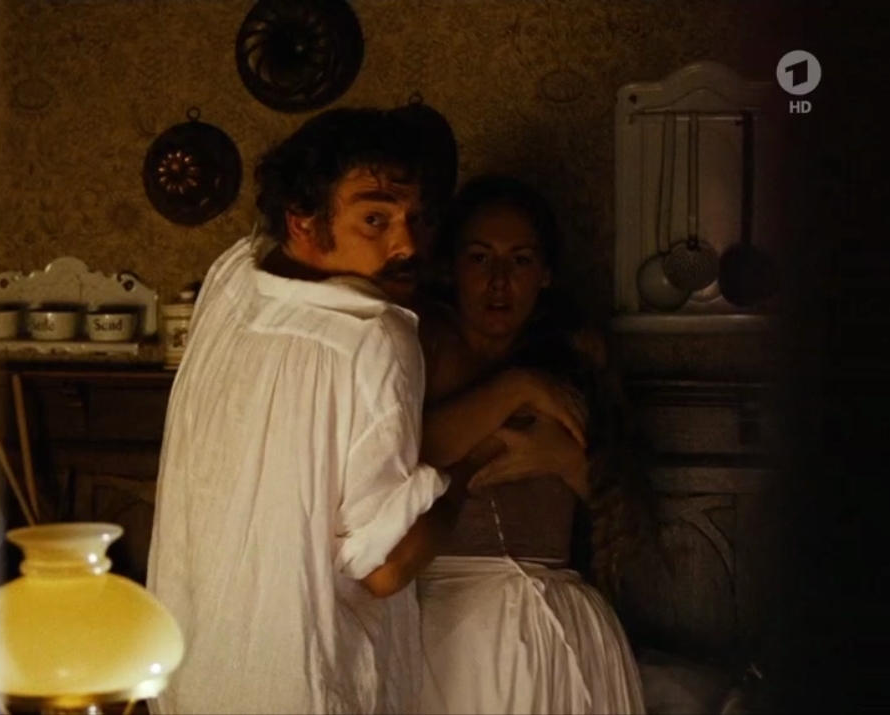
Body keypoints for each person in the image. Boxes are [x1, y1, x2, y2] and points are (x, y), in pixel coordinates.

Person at [144, 109, 580, 715]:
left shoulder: (233, 278)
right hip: (306, 687)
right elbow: (387, 568)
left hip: (193, 675)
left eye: (417, 218)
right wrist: (469, 465)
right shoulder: (377, 337)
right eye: (375, 219)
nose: (407, 245)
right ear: (302, 221)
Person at [410, 174, 649, 714]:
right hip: (451, 629)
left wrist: (567, 461)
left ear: (545, 275)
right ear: (450, 266)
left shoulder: (575, 362)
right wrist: (516, 389)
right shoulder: (421, 347)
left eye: (519, 261)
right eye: (479, 258)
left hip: (562, 626)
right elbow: (411, 450)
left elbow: (629, 513)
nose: (499, 281)